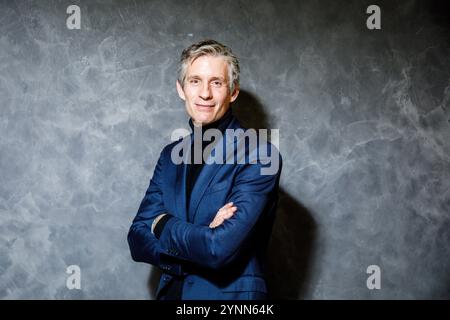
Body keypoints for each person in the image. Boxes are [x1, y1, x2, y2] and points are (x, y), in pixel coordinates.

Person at [127, 39, 282, 300]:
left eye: (217, 82)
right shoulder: (170, 156)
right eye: (195, 81)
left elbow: (218, 248)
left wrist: (161, 223)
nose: (205, 93)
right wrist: (200, 238)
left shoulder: (260, 155)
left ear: (233, 92)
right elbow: (137, 239)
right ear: (181, 89)